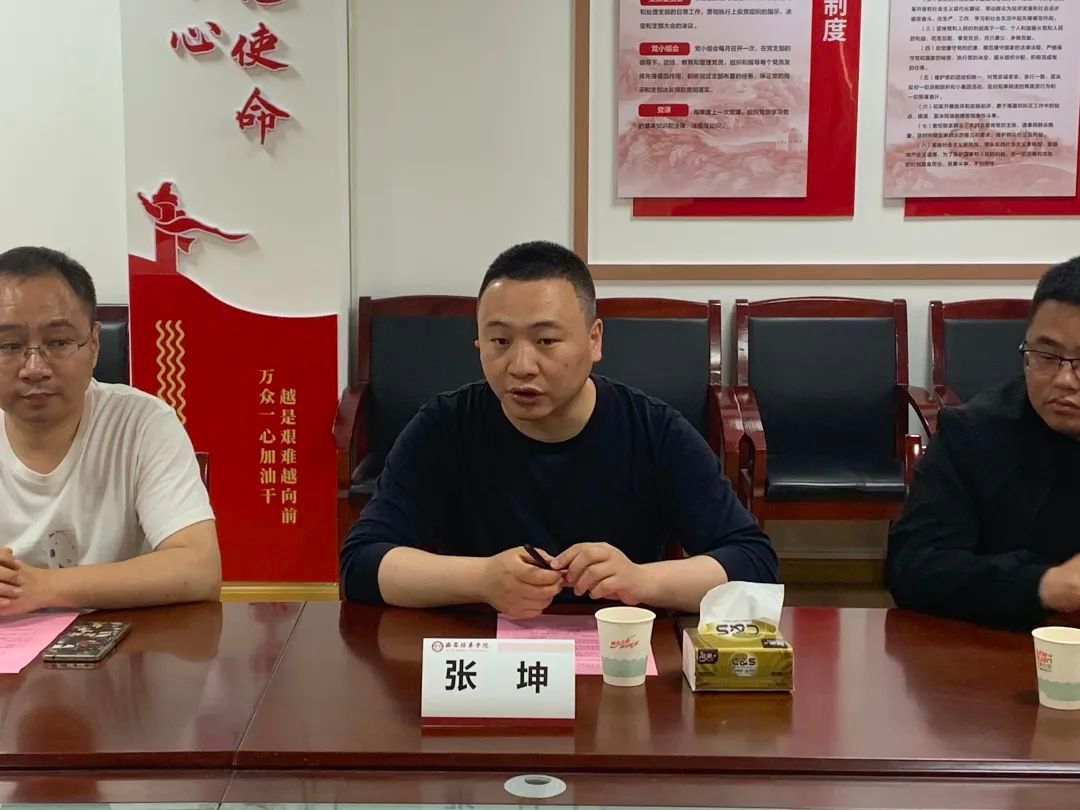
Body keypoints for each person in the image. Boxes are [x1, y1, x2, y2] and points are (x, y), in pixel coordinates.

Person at [340, 240, 778, 616]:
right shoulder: (444, 426)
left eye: (546, 341)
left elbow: (754, 564)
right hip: (483, 654)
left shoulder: (653, 431)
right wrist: (482, 579)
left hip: (617, 656)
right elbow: (361, 563)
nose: (521, 365)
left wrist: (640, 580)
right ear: (478, 345)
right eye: (500, 341)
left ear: (595, 339)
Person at [0, 246, 221, 614]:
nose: (34, 368)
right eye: (9, 345)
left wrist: (40, 587)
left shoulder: (142, 423)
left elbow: (198, 568)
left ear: (94, 344)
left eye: (59, 342)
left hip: (125, 642)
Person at [886, 256, 1080, 629]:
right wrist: (1042, 585)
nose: (1064, 380)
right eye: (1046, 356)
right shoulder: (973, 433)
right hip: (1008, 646)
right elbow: (913, 567)